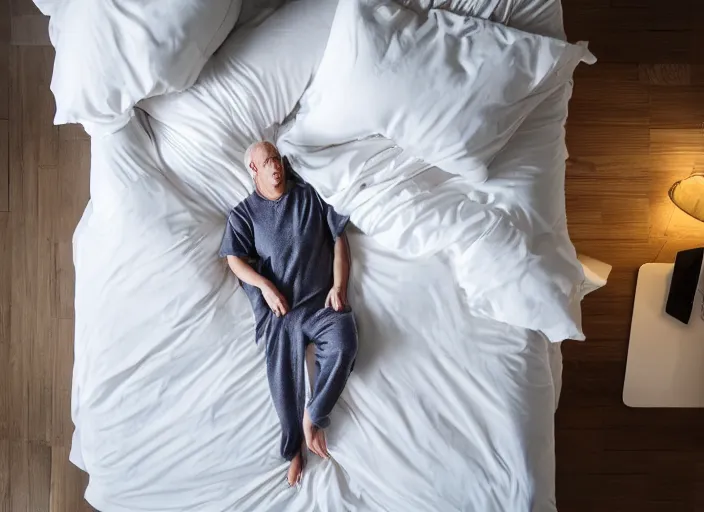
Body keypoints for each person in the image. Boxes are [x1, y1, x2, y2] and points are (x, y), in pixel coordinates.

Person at [219, 141, 358, 487]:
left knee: (345, 340)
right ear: (253, 169)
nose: (275, 167)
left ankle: (316, 414)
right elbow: (233, 258)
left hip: (321, 304)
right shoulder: (245, 214)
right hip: (284, 311)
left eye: (277, 160)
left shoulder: (309, 195)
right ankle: (294, 448)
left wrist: (338, 287)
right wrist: (264, 286)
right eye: (267, 162)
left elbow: (339, 237)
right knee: (282, 373)